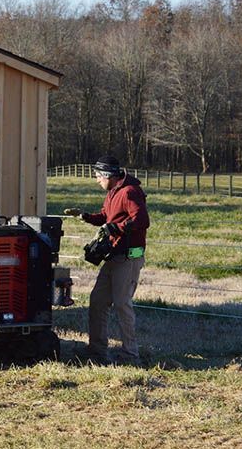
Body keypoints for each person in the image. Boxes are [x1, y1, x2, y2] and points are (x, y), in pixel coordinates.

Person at [64, 155, 150, 364]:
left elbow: (142, 219)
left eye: (97, 177)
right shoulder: (113, 192)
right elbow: (106, 217)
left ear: (107, 175)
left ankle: (130, 355)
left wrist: (116, 228)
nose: (96, 180)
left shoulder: (130, 191)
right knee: (98, 301)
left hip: (130, 256)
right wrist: (85, 216)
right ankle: (97, 351)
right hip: (114, 255)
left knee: (122, 304)